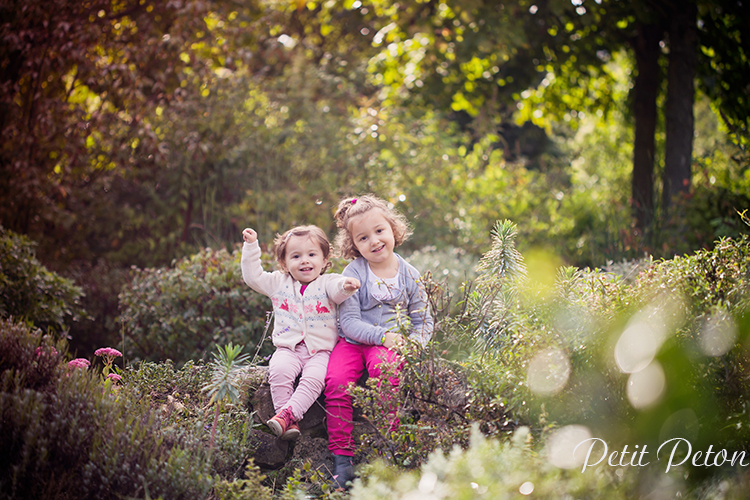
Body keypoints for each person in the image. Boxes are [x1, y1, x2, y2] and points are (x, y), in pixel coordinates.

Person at [324, 195, 434, 489]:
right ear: (353, 245)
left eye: (379, 231)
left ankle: (389, 449)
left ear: (393, 229)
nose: (374, 241)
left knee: (386, 375)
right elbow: (349, 323)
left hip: (387, 347)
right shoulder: (354, 273)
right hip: (353, 342)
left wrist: (415, 346)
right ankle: (342, 458)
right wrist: (384, 335)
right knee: (335, 382)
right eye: (363, 237)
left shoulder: (409, 274)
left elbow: (424, 320)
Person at [241, 225, 360, 440]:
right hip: (288, 348)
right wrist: (251, 246)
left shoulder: (328, 281)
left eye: (312, 254)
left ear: (324, 260)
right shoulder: (278, 282)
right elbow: (253, 277)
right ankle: (290, 421)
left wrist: (346, 286)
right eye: (296, 256)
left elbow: (337, 290)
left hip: (321, 352)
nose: (304, 260)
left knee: (314, 379)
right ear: (285, 263)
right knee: (279, 372)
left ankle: (287, 414)